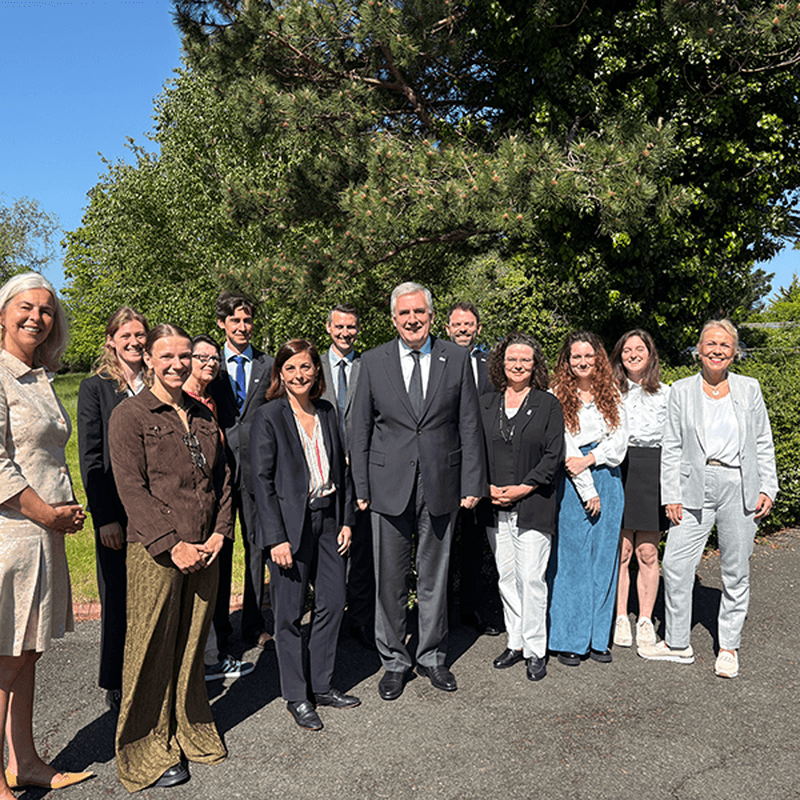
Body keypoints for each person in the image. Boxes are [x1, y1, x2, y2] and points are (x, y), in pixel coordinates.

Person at [109, 324, 233, 791]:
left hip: (206, 548)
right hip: (157, 552)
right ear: (149, 359)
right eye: (168, 356)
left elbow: (221, 481)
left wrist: (220, 534)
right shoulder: (131, 415)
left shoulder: (202, 414)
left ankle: (188, 729)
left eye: (185, 355)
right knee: (150, 649)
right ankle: (145, 747)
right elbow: (131, 489)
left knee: (190, 648)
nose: (178, 363)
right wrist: (171, 543)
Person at [350, 282, 485, 700]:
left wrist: (472, 481)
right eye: (404, 314)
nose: (412, 320)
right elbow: (360, 428)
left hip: (441, 483)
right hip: (388, 484)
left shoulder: (456, 358)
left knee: (434, 575)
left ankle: (431, 656)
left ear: (431, 315)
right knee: (388, 579)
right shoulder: (373, 362)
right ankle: (393, 660)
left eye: (420, 313)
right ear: (394, 319)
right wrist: (361, 486)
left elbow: (469, 423)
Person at [639, 319, 778, 678]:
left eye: (725, 345)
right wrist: (671, 493)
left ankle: (729, 647)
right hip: (693, 486)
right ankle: (676, 642)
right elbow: (670, 446)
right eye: (711, 344)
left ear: (735, 352)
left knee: (736, 568)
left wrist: (768, 487)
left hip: (738, 482)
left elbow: (763, 441)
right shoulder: (682, 391)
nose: (717, 350)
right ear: (699, 350)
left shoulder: (749, 389)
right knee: (676, 566)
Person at [0, 272, 92, 795]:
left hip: (44, 532)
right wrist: (48, 512)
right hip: (13, 532)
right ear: (2, 314)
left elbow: (45, 454)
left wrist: (64, 508)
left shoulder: (38, 376)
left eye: (47, 309)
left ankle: (27, 761)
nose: (37, 316)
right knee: (6, 657)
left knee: (28, 650)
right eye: (26, 307)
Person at [251, 339, 358, 731]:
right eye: (291, 368)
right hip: (290, 528)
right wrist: (275, 538)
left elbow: (342, 471)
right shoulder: (269, 416)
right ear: (281, 373)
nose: (299, 375)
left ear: (317, 371)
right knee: (289, 614)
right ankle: (297, 696)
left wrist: (347, 519)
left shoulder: (327, 412)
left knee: (333, 602)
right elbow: (261, 482)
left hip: (329, 521)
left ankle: (322, 685)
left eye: (306, 367)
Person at [478, 333, 564, 682]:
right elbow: (473, 451)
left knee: (532, 577)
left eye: (525, 360)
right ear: (501, 363)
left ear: (535, 365)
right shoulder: (486, 403)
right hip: (494, 505)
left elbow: (553, 454)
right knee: (507, 577)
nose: (517, 365)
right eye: (512, 359)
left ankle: (535, 649)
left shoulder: (547, 404)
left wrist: (522, 488)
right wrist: (485, 488)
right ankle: (515, 641)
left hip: (533, 503)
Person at [77, 306, 148, 712]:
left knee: (151, 597)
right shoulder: (95, 388)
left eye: (140, 335)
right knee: (119, 599)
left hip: (156, 511)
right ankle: (117, 680)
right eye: (127, 336)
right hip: (116, 513)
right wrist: (103, 516)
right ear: (111, 341)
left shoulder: (158, 383)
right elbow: (91, 458)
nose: (135, 342)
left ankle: (152, 672)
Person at [549, 331, 627, 666]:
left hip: (609, 477)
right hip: (572, 480)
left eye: (588, 356)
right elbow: (567, 446)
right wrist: (587, 486)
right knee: (572, 561)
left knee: (604, 559)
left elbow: (620, 442)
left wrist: (593, 460)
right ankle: (569, 638)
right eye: (575, 357)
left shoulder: (612, 393)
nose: (582, 362)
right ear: (566, 362)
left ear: (599, 360)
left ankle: (597, 637)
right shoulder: (556, 396)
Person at [184, 334, 254, 682]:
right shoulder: (183, 399)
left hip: (214, 496)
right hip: (192, 504)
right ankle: (205, 661)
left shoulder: (209, 399)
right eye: (202, 357)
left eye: (215, 359)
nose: (210, 363)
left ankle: (209, 655)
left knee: (211, 577)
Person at [208, 292, 274, 649]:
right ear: (222, 323)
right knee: (219, 546)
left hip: (255, 471)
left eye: (247, 320)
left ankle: (253, 624)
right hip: (216, 472)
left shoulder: (267, 364)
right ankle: (218, 627)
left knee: (256, 548)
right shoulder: (207, 361)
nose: (242, 327)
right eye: (235, 320)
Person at [609, 329, 669, 653]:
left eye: (639, 348)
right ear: (620, 355)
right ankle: (620, 616)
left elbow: (676, 443)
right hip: (619, 467)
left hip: (652, 470)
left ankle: (644, 618)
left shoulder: (667, 394)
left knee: (647, 552)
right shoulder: (610, 392)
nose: (632, 354)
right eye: (627, 349)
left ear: (650, 353)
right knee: (622, 552)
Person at [319, 303, 376, 650]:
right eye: (339, 327)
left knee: (363, 550)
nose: (345, 333)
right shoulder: (315, 366)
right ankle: (330, 620)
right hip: (323, 472)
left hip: (364, 470)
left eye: (351, 327)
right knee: (330, 547)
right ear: (328, 328)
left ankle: (360, 620)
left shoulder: (367, 365)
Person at [445, 302, 500, 637]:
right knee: (441, 545)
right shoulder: (437, 362)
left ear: (478, 328)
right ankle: (438, 614)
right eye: (457, 324)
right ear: (447, 328)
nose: (463, 329)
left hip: (479, 469)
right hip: (444, 468)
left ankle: (472, 609)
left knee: (473, 544)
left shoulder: (490, 366)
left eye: (469, 324)